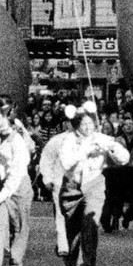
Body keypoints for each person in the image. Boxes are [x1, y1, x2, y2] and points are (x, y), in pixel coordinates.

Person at [57, 99, 129, 266]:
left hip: (94, 184)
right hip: (71, 187)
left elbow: (124, 158)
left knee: (90, 225)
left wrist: (111, 148)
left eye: (91, 123)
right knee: (72, 230)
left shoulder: (101, 138)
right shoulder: (68, 140)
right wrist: (85, 151)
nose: (88, 127)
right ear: (76, 126)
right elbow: (66, 163)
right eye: (84, 124)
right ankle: (73, 264)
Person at [0, 101, 33, 266]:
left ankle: (15, 260)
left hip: (18, 183)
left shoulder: (18, 142)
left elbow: (14, 178)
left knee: (19, 225)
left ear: (8, 119)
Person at [39, 108, 79, 256]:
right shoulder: (57, 140)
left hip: (81, 185)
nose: (71, 124)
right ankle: (63, 244)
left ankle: (73, 243)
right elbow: (46, 159)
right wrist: (47, 178)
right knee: (61, 215)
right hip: (60, 184)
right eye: (68, 122)